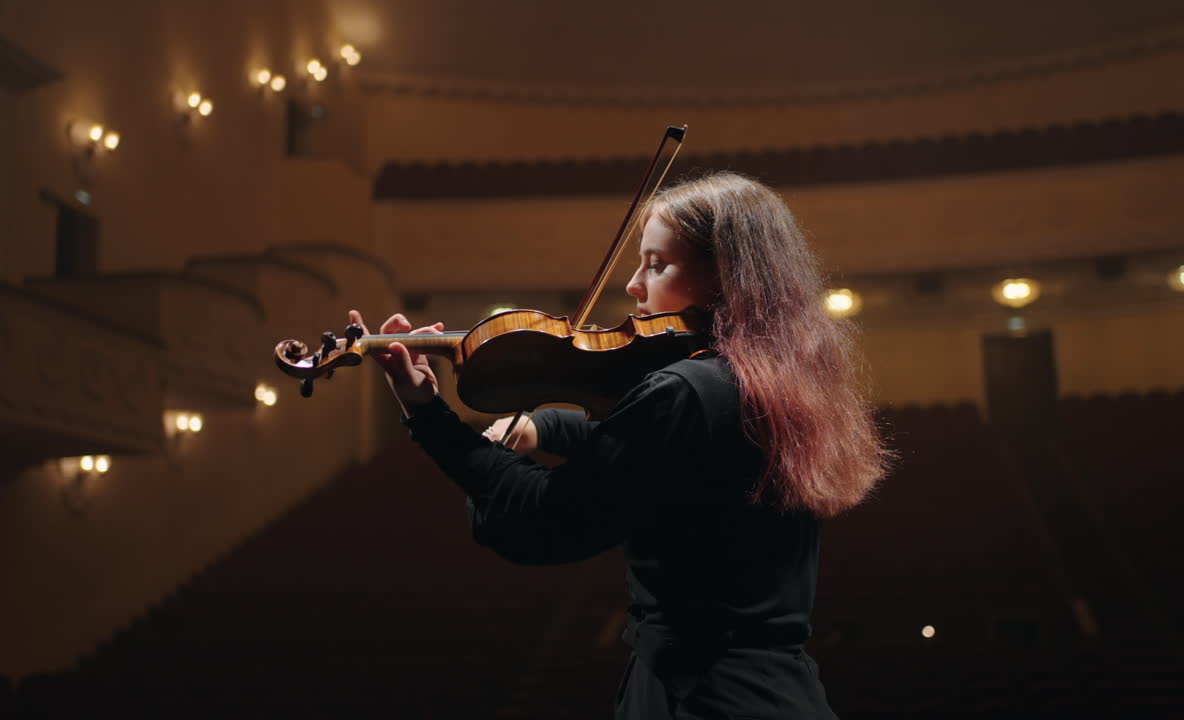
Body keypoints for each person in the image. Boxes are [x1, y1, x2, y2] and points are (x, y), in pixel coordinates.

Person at [351, 172, 890, 719]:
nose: (634, 284)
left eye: (657, 265)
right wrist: (547, 425)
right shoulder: (773, 386)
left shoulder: (681, 392)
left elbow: (545, 519)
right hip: (780, 691)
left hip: (697, 700)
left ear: (726, 276)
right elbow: (646, 453)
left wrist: (428, 413)